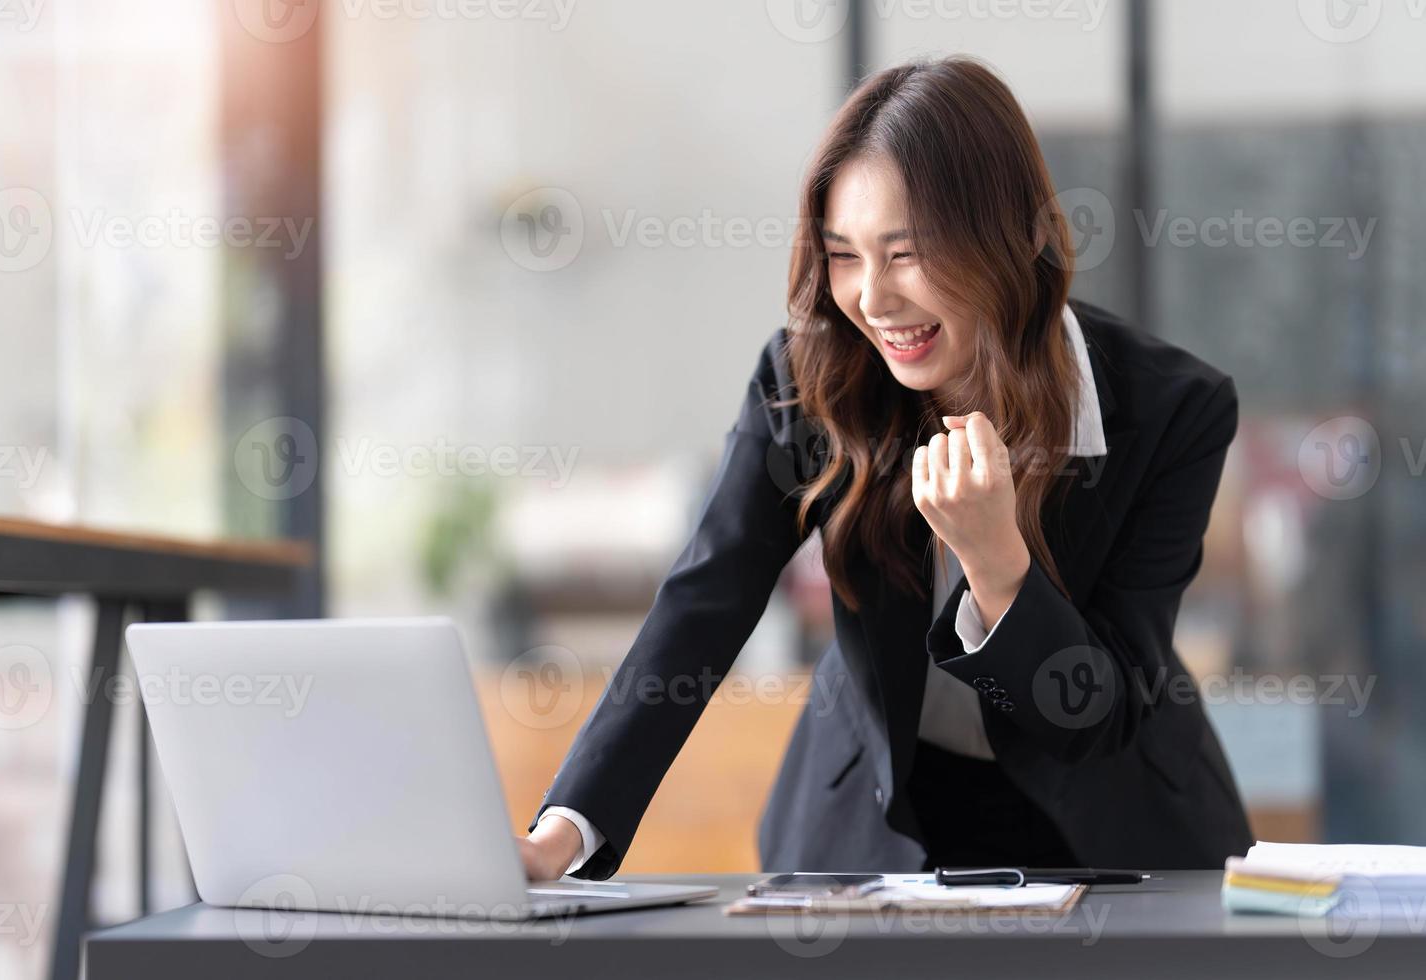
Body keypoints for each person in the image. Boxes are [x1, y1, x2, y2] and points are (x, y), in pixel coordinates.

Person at [516, 56, 1253, 881]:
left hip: (1109, 817)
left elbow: (1094, 713)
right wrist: (565, 830)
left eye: (906, 254)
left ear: (1022, 235)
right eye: (844, 255)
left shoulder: (1172, 410)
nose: (873, 299)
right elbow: (705, 600)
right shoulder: (812, 376)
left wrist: (997, 563)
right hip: (876, 807)